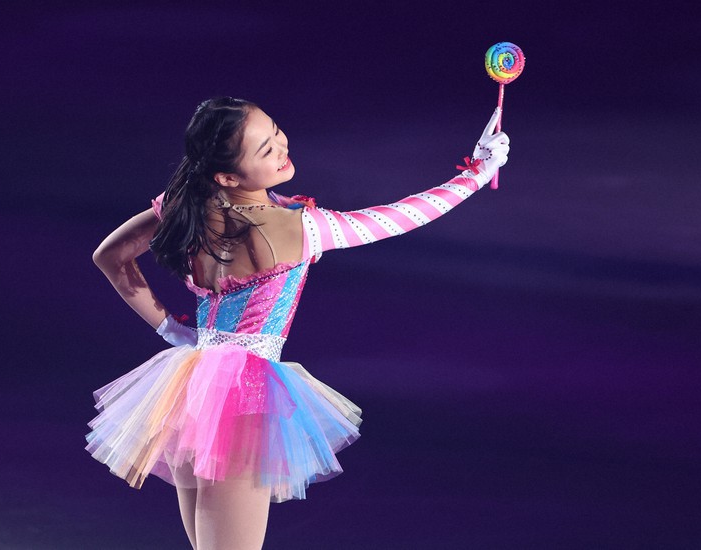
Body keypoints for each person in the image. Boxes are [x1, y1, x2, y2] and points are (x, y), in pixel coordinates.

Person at [86, 97, 510, 550]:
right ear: (228, 176)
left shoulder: (184, 203)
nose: (281, 146)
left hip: (190, 389)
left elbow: (109, 256)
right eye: (265, 149)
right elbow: (399, 218)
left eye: (275, 131)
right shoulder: (296, 228)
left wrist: (172, 331)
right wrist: (476, 174)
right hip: (242, 400)